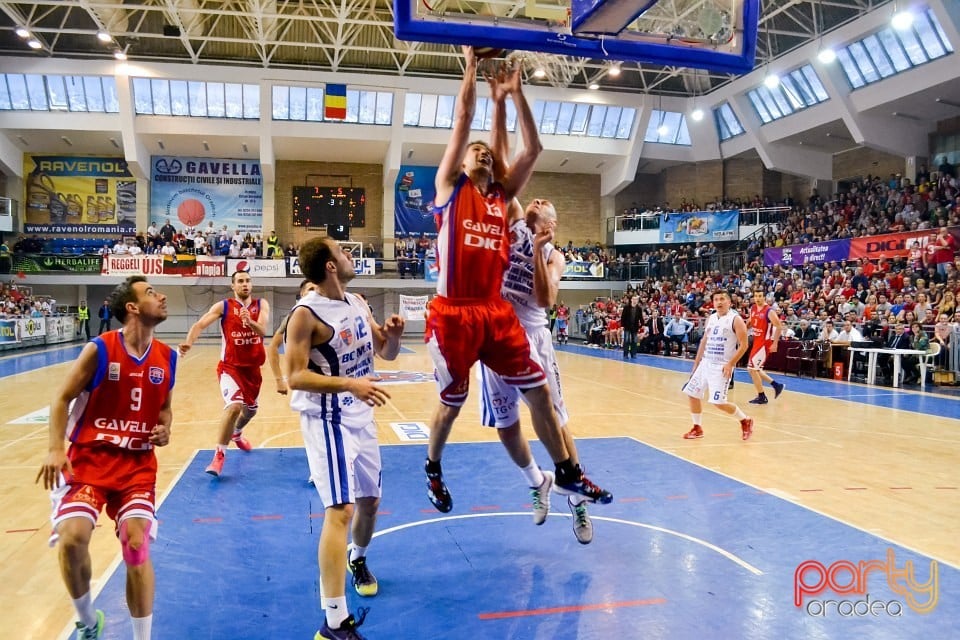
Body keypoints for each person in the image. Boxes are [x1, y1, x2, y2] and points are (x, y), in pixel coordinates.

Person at [423, 47, 610, 515]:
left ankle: (566, 473)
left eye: (486, 152)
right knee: (453, 402)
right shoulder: (450, 188)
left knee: (541, 392)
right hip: (453, 311)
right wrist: (470, 68)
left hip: (496, 311)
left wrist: (515, 96)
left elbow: (529, 150)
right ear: (463, 165)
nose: (482, 152)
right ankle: (433, 467)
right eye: (475, 152)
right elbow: (464, 120)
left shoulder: (503, 200)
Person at [37, 276, 176, 640]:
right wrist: (55, 448)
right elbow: (61, 398)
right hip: (88, 462)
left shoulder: (167, 358)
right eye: (150, 293)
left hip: (136, 467)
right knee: (72, 538)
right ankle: (87, 621)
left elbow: (165, 411)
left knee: (135, 543)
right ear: (132, 308)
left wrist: (165, 429)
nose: (161, 296)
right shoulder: (99, 350)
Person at [286, 236, 405, 640]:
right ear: (330, 266)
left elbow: (385, 353)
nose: (351, 254)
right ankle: (334, 620)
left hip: (360, 413)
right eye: (343, 250)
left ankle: (359, 559)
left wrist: (393, 335)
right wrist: (349, 384)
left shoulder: (356, 302)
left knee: (370, 501)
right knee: (340, 510)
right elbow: (295, 376)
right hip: (327, 417)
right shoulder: (304, 315)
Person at [478, 196, 597, 544]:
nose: (539, 198)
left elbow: (546, 299)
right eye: (535, 197)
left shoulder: (555, 256)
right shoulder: (509, 233)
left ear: (552, 225)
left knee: (556, 421)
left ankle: (576, 500)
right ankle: (537, 481)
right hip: (495, 339)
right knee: (504, 426)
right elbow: (504, 185)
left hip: (532, 339)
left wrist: (538, 251)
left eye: (546, 202)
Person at [179, 270, 271, 478]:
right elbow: (200, 324)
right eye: (240, 281)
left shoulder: (261, 305)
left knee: (251, 411)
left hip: (252, 370)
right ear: (233, 286)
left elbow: (263, 331)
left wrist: (250, 322)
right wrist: (188, 342)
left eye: (247, 281)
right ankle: (219, 455)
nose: (245, 284)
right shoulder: (224, 306)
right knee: (233, 407)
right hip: (230, 367)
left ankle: (237, 433)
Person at [682, 290, 754, 441]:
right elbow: (704, 342)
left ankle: (745, 420)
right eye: (716, 300)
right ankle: (697, 428)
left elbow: (744, 345)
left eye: (722, 299)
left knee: (718, 402)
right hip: (706, 362)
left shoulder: (735, 319)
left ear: (729, 302)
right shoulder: (711, 318)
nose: (719, 302)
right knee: (692, 394)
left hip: (721, 365)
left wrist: (730, 364)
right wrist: (696, 364)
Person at [266, 279, 319, 396]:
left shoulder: (328, 314)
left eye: (316, 290)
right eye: (310, 289)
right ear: (302, 294)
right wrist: (279, 380)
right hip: (306, 378)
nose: (314, 293)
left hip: (332, 377)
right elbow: (273, 346)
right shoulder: (293, 316)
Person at [746, 289, 785, 405]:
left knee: (752, 369)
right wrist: (743, 328)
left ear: (764, 297)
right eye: (755, 296)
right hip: (756, 342)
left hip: (764, 343)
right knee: (755, 369)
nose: (757, 298)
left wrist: (775, 343)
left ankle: (762, 396)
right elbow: (750, 321)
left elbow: (778, 326)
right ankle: (776, 385)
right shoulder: (753, 308)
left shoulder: (769, 311)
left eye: (760, 296)